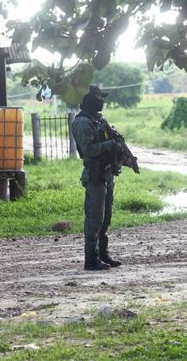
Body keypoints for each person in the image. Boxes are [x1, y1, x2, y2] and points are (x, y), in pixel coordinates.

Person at [71, 85, 126, 271]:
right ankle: (91, 260)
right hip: (95, 175)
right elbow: (88, 150)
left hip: (107, 173)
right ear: (88, 99)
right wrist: (109, 145)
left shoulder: (98, 120)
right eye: (98, 97)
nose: (102, 100)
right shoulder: (82, 123)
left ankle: (103, 254)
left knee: (105, 218)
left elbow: (112, 139)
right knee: (95, 220)